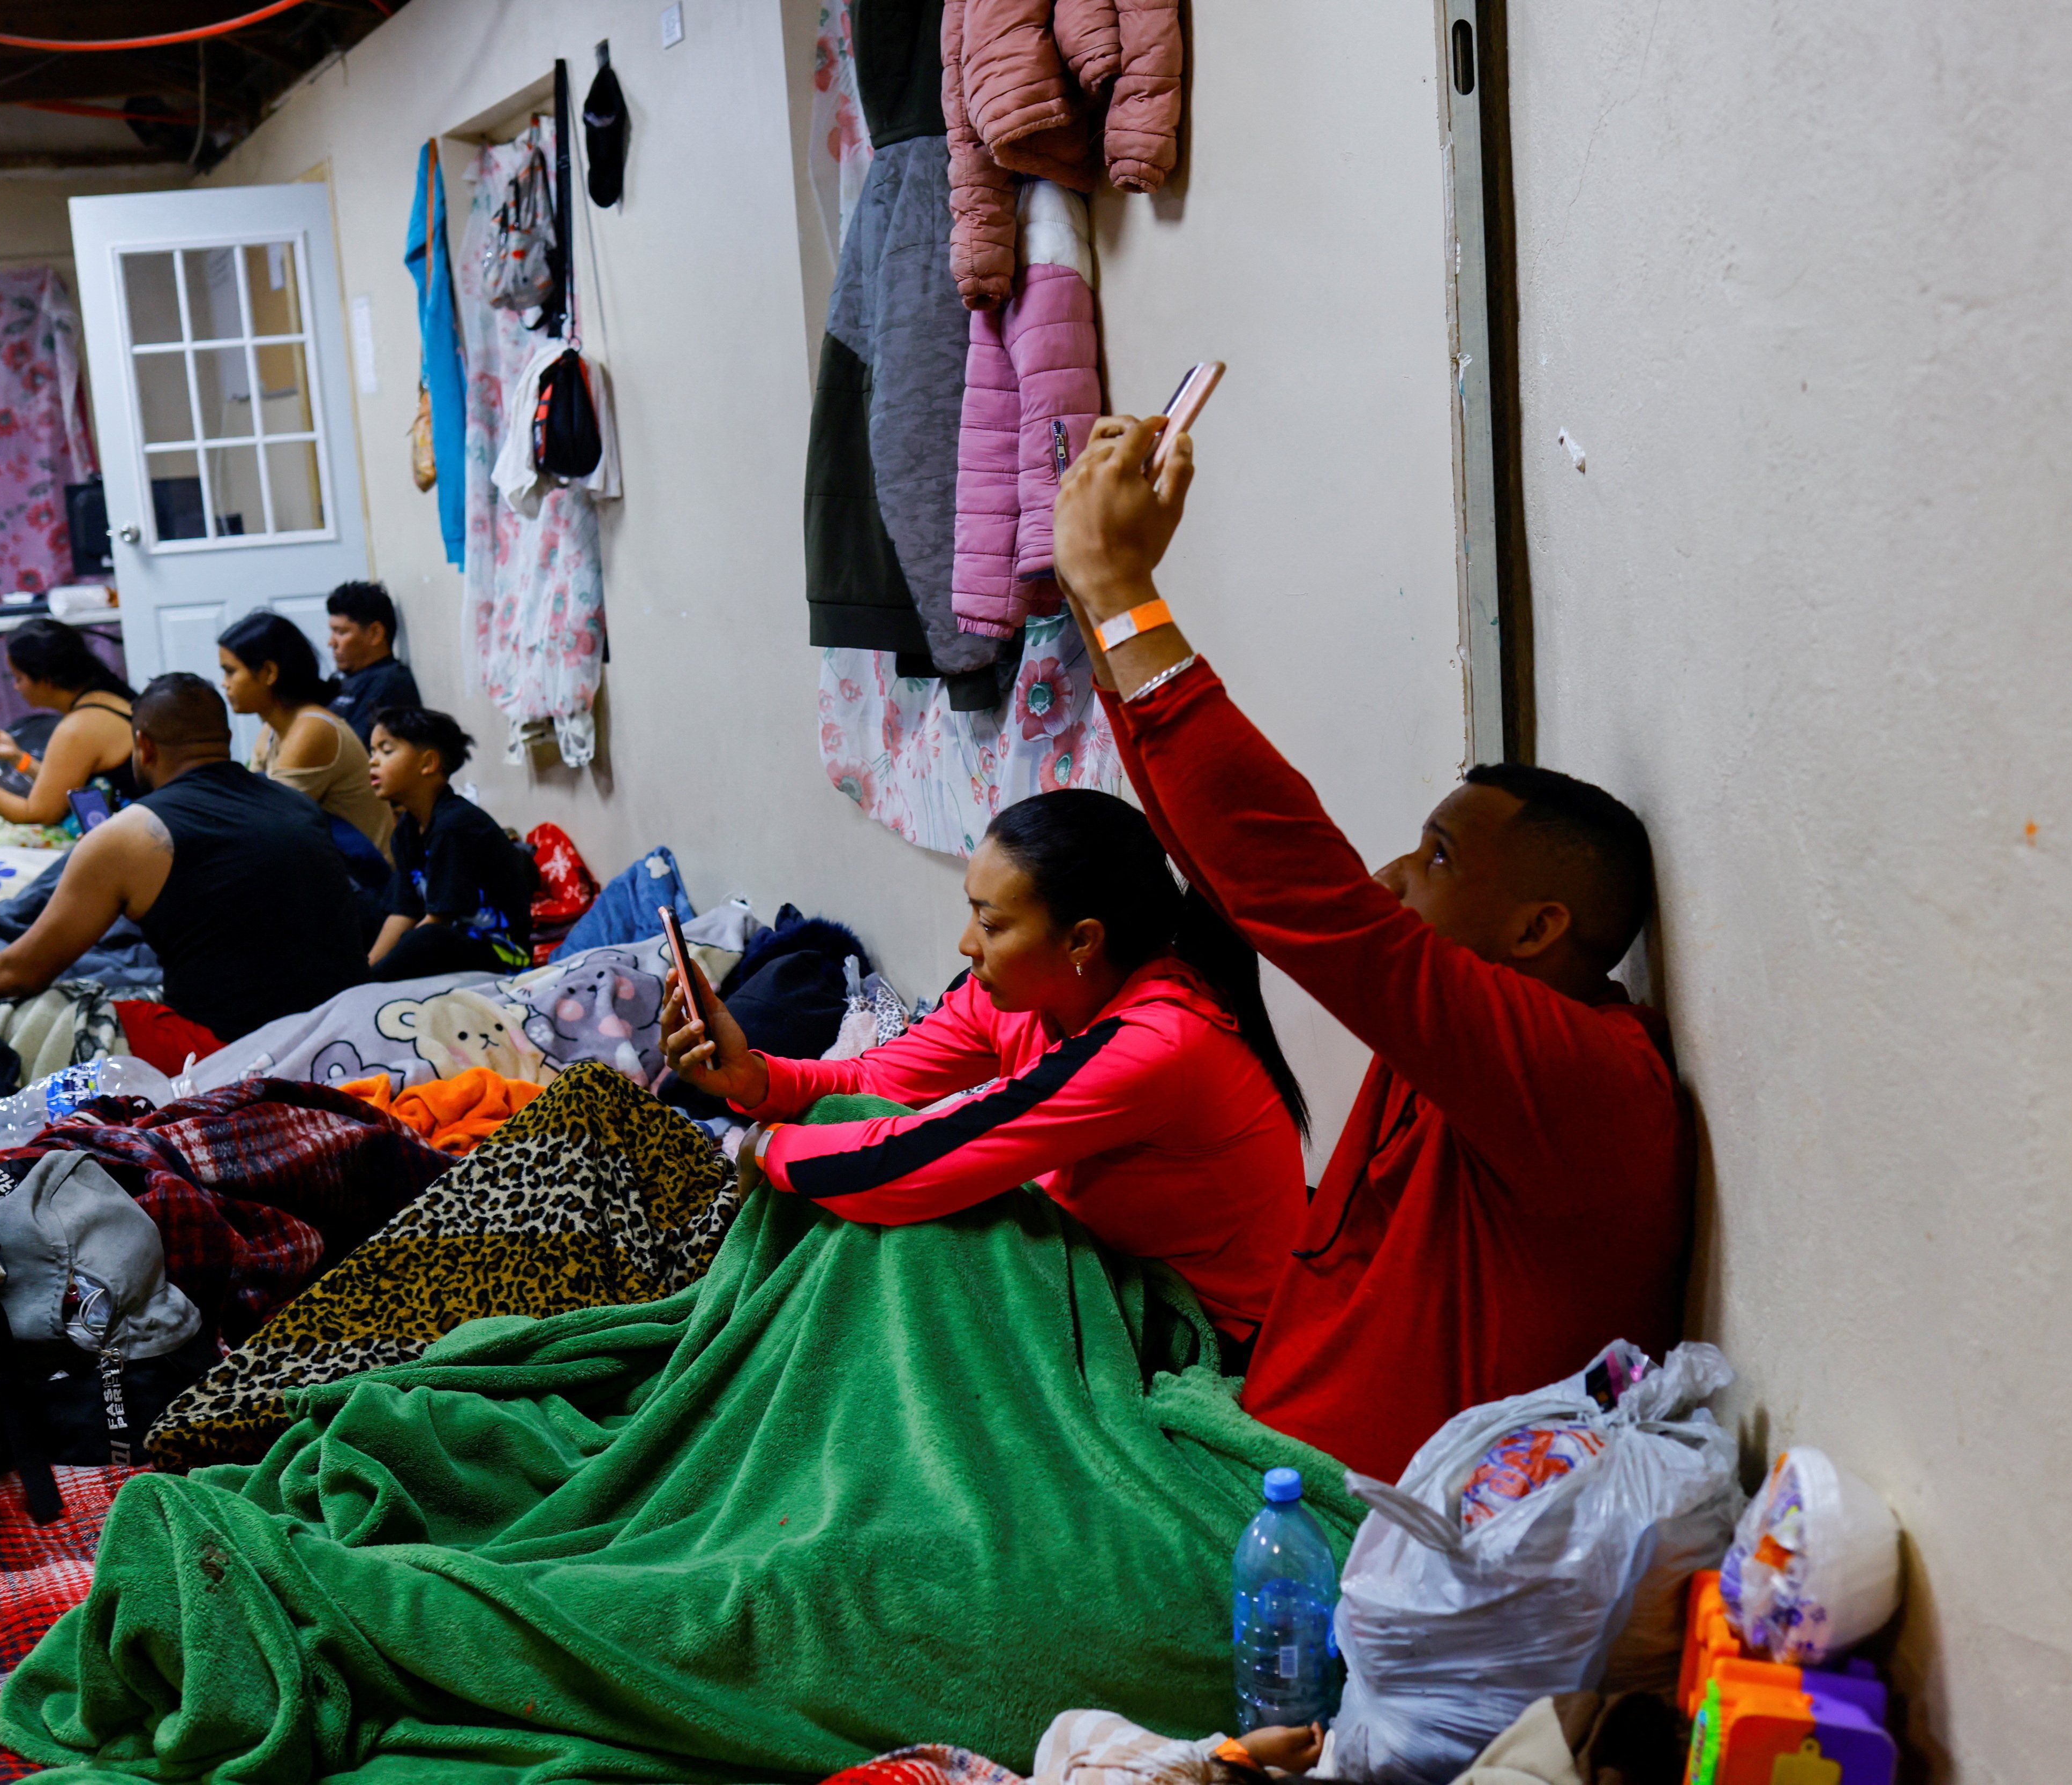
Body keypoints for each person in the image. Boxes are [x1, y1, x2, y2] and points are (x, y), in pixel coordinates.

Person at [1048, 413, 1692, 1482]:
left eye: (1436, 856)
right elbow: (1238, 876)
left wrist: (1124, 591)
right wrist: (1091, 590)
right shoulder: (1467, 1040)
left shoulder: (1583, 1081)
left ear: (1540, 926)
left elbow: (1303, 890)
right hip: (1257, 1443)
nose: (1396, 875)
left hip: (1347, 1529)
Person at [663, 787, 1309, 1349]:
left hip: (1187, 1319)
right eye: (972, 909)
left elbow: (919, 1164)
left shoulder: (1157, 1044)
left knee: (896, 1239)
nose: (967, 943)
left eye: (992, 923)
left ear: (1081, 940)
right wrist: (752, 1078)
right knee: (845, 1138)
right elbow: (874, 1079)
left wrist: (767, 1147)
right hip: (1099, 1265)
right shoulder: (1017, 992)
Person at [0, 673, 368, 1042]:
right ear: (225, 738)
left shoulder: (130, 833)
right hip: (342, 1027)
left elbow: (22, 971)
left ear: (144, 746)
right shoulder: (297, 804)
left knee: (27, 1005)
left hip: (230, 1047)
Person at [364, 706, 536, 980]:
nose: (373, 762)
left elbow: (438, 921)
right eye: (372, 752)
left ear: (428, 764)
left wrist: (375, 980)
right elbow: (403, 912)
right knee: (364, 917)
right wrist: (367, 970)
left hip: (502, 957)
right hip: (452, 942)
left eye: (386, 751)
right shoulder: (407, 830)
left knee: (427, 939)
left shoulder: (455, 826)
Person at [217, 611, 394, 862]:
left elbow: (268, 826)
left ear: (269, 672)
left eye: (231, 672)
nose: (224, 684)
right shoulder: (271, 730)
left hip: (372, 886)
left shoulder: (311, 729)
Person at [0, 619, 139, 824]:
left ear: (46, 679)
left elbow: (36, 814)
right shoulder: (107, 698)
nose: (17, 688)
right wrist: (18, 758)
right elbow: (64, 785)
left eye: (19, 678)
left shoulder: (80, 727)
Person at [324, 581, 421, 745]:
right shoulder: (344, 679)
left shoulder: (391, 683)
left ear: (375, 633)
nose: (331, 643)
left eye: (342, 632)